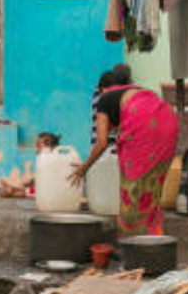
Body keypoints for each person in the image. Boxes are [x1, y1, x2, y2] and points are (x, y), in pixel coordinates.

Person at [70, 68, 178, 238]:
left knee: (132, 190)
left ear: (101, 89)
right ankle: (154, 240)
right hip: (169, 121)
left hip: (142, 125)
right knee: (152, 190)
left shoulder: (104, 99)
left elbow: (101, 142)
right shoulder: (139, 91)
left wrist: (84, 168)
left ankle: (133, 244)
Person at [0, 132, 60, 198]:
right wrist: (31, 182)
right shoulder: (43, 160)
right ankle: (13, 189)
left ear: (51, 148)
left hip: (50, 192)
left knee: (30, 192)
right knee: (30, 189)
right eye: (36, 146)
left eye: (39, 146)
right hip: (42, 189)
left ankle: (12, 192)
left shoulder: (54, 161)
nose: (36, 149)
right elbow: (40, 177)